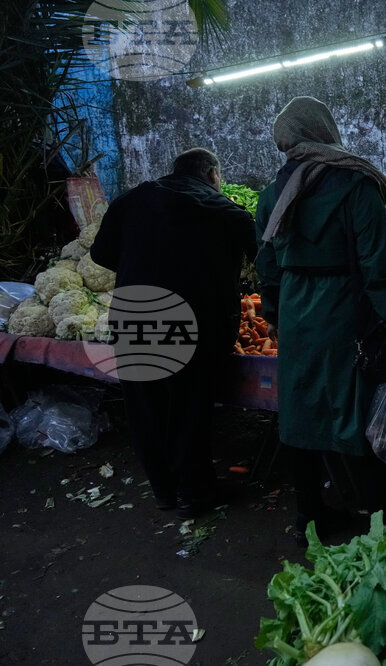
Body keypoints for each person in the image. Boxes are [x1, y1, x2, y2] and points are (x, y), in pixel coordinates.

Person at [255, 96, 386, 544]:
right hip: (345, 315)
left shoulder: (274, 194)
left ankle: (309, 520)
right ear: (326, 130)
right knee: (358, 416)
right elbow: (378, 269)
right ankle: (380, 523)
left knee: (301, 417)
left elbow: (266, 266)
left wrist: (274, 316)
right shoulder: (356, 187)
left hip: (296, 315)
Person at [90, 148, 256, 518]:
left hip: (135, 313)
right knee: (188, 407)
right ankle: (194, 495)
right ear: (212, 174)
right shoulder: (229, 212)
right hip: (196, 319)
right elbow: (264, 260)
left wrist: (144, 263)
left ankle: (164, 491)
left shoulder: (130, 200)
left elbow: (101, 255)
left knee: (145, 406)